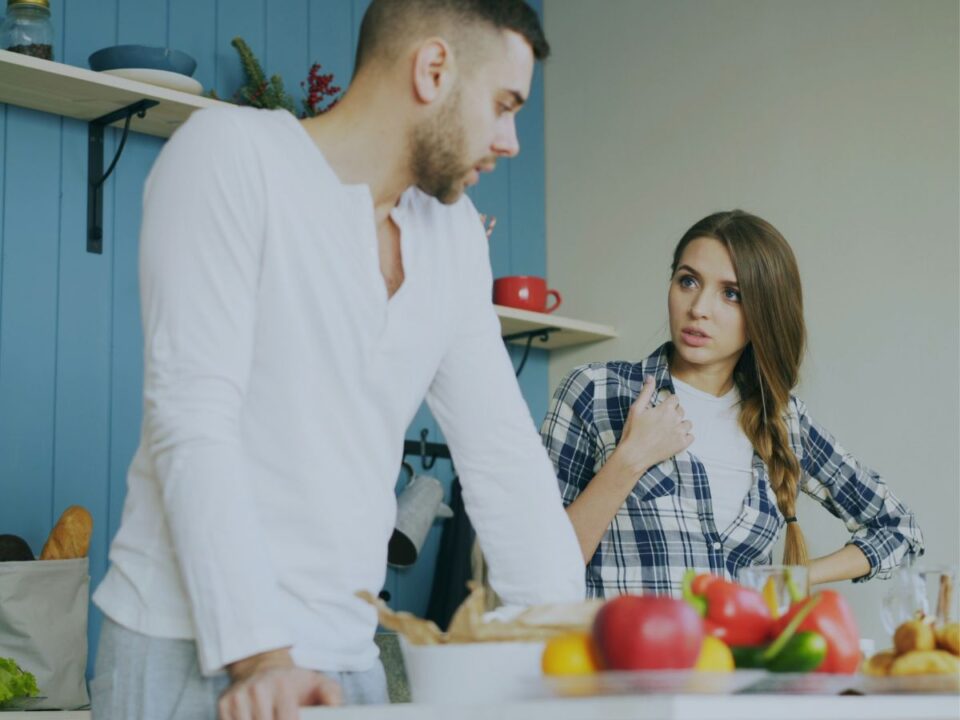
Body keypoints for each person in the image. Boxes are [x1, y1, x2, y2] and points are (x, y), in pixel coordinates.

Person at [90, 1, 585, 718]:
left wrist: (570, 647)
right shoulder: (231, 154)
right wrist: (261, 658)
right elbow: (192, 418)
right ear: (434, 69)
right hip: (192, 648)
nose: (511, 141)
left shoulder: (451, 238)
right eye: (504, 105)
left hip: (349, 661)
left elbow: (503, 455)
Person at [541, 210, 923, 599]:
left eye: (731, 293)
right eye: (688, 281)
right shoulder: (596, 391)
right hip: (623, 659)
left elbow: (898, 528)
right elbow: (538, 568)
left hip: (738, 658)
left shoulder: (784, 421)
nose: (699, 308)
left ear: (764, 312)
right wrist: (630, 459)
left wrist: (796, 578)